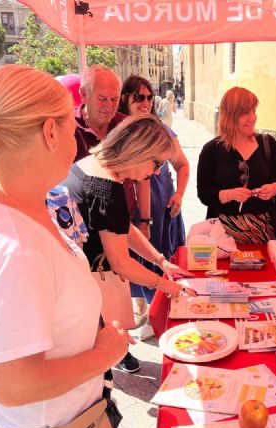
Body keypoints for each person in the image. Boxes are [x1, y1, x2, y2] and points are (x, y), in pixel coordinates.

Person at [0, 64, 131, 428]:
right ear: (50, 132)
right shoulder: (12, 251)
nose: (76, 137)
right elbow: (12, 384)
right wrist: (103, 355)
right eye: (71, 124)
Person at [63, 114, 195, 370]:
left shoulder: (92, 165)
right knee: (97, 360)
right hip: (86, 287)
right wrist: (166, 285)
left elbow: (121, 225)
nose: (156, 171)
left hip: (79, 278)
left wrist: (159, 260)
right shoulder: (106, 187)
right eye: (156, 163)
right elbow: (121, 263)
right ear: (138, 150)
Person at [118, 75, 190, 339]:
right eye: (139, 97)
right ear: (125, 98)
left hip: (160, 211)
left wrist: (180, 194)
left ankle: (155, 312)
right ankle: (140, 310)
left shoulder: (162, 131)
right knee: (130, 261)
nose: (145, 102)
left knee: (159, 258)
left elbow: (182, 164)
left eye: (149, 97)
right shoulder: (119, 133)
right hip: (129, 210)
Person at [197, 86, 276, 243]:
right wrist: (229, 194)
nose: (252, 117)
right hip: (222, 237)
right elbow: (204, 193)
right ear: (231, 116)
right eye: (246, 113)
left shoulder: (268, 144)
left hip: (264, 234)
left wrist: (273, 188)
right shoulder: (211, 150)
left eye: (253, 111)